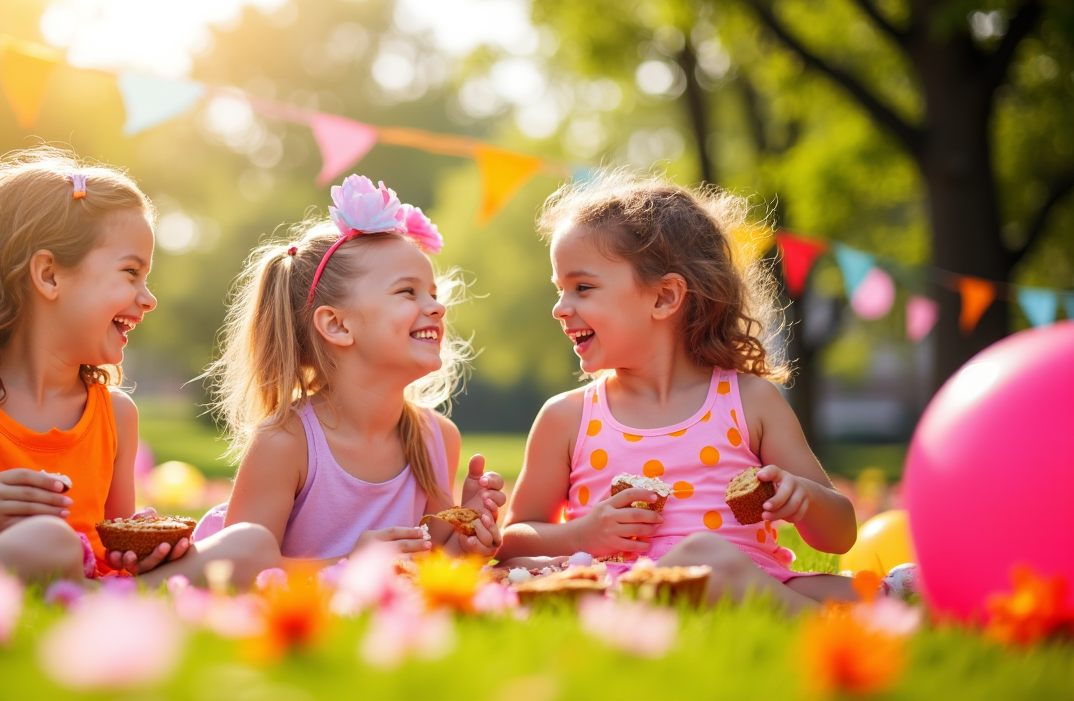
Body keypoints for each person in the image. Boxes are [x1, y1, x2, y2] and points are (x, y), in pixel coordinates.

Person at [0, 148, 278, 586]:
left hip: (88, 582)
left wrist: (142, 555)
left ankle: (98, 603)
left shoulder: (117, 415)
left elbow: (111, 550)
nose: (148, 298)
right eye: (131, 272)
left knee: (252, 543)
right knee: (50, 541)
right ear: (49, 275)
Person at [500, 170, 859, 611]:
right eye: (560, 290)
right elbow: (512, 542)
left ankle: (821, 611)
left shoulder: (750, 402)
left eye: (583, 287)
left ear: (665, 297)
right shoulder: (567, 417)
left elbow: (841, 535)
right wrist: (582, 535)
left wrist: (804, 500)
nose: (559, 308)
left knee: (857, 589)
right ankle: (824, 626)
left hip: (753, 578)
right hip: (629, 590)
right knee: (705, 559)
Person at [195, 175, 506, 564]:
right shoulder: (286, 443)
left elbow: (431, 560)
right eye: (408, 291)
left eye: (433, 293)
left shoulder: (437, 440)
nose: (436, 307)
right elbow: (239, 570)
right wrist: (348, 566)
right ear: (338, 326)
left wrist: (470, 537)